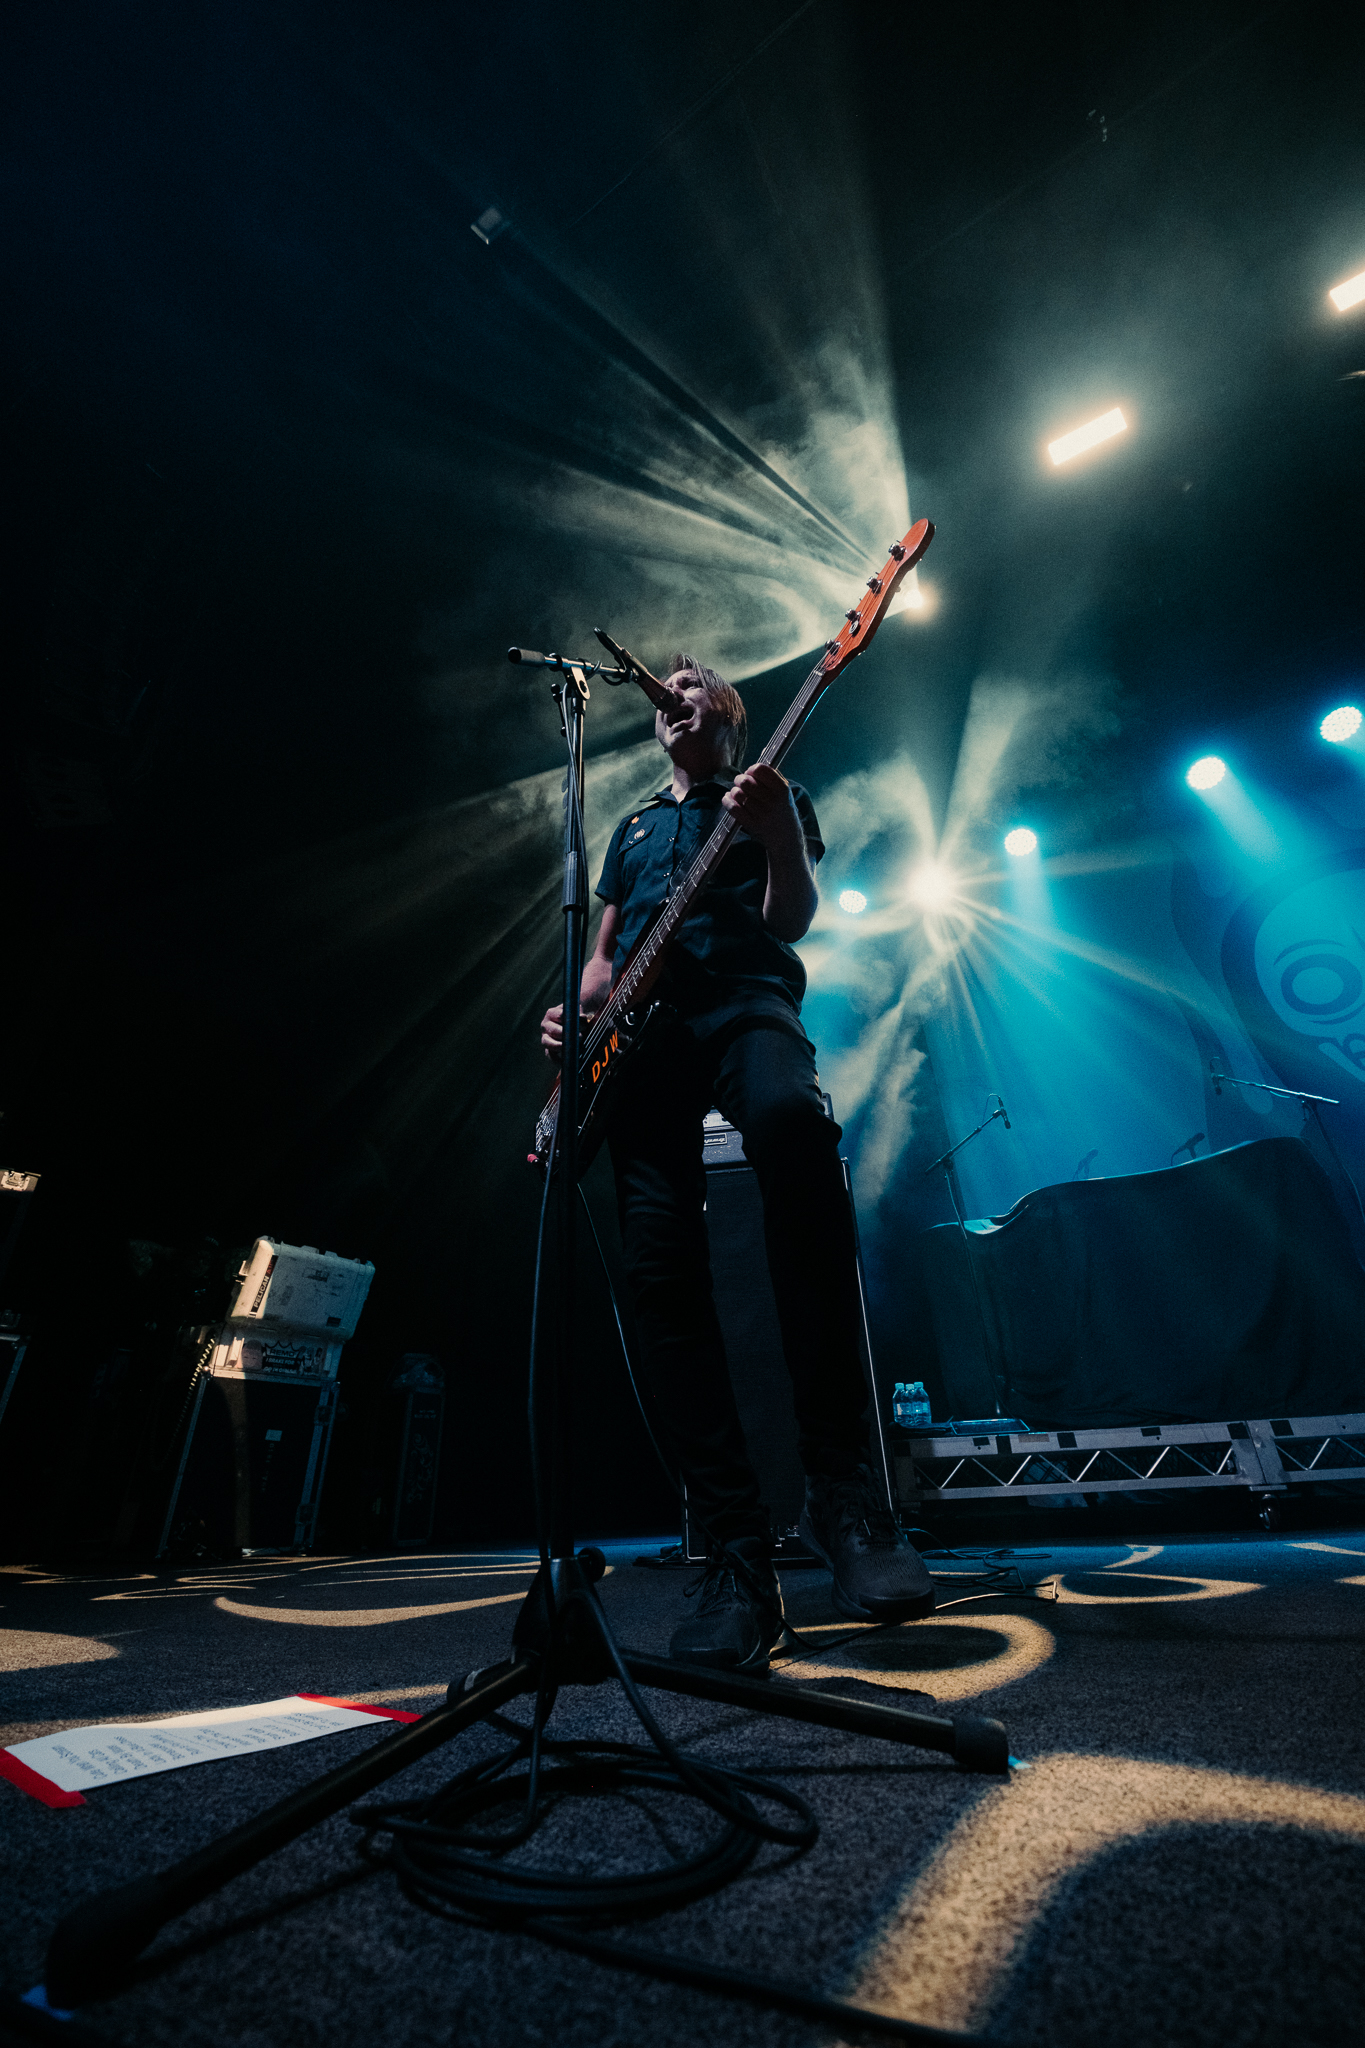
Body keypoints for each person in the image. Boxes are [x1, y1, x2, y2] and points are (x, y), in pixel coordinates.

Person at [541, 653, 933, 1671]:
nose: (671, 695)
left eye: (691, 685)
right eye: (665, 688)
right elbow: (605, 956)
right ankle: (734, 1552)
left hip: (746, 1001)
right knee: (658, 1259)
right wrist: (577, 1015)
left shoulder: (771, 794)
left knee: (791, 1127)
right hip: (640, 1044)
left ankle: (843, 1497)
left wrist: (775, 838)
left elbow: (790, 918)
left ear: (726, 710)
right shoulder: (632, 828)